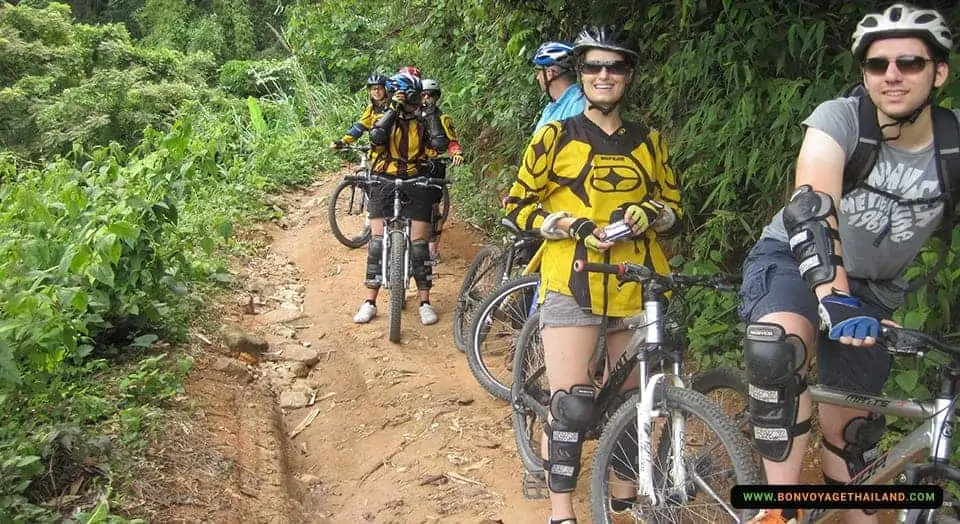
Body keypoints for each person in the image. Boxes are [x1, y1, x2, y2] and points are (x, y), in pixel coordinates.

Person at [739, 4, 957, 523]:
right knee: (778, 349)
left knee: (852, 434)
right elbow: (810, 206)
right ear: (865, 74)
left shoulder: (951, 145)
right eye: (878, 65)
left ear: (939, 72)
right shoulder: (840, 119)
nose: (893, 75)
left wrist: (853, 298)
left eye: (910, 62)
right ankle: (778, 511)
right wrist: (833, 295)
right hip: (794, 259)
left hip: (876, 287)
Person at [503, 25, 682, 524]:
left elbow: (675, 209)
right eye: (593, 66)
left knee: (635, 401)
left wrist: (653, 214)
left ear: (629, 74)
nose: (605, 75)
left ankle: (623, 498)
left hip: (637, 282)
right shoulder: (553, 136)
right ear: (579, 73)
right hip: (573, 277)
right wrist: (565, 223)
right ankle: (561, 509)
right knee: (573, 405)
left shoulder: (650, 142)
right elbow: (516, 209)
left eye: (616, 66)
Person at [353, 71, 449, 326]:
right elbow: (376, 138)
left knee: (419, 246)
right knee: (375, 243)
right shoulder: (384, 116)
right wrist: (393, 111)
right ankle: (370, 301)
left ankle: (425, 301)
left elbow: (439, 144)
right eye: (408, 98)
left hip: (417, 180)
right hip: (383, 179)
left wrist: (428, 116)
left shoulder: (423, 118)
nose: (413, 103)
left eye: (414, 98)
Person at [420, 78, 464, 261]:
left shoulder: (443, 118)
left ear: (436, 98)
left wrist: (456, 153)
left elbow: (452, 141)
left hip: (435, 165)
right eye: (423, 94)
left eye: (431, 95)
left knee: (433, 208)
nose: (427, 98)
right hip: (414, 165)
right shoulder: (409, 116)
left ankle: (432, 250)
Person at [532, 41, 586, 132]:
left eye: (538, 72)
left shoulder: (578, 104)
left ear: (550, 73)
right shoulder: (552, 107)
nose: (537, 77)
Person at [331, 73, 389, 150]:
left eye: (380, 88)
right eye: (373, 89)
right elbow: (360, 126)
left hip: (395, 150)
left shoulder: (392, 106)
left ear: (385, 90)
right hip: (378, 149)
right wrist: (343, 141)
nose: (377, 92)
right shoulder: (371, 108)